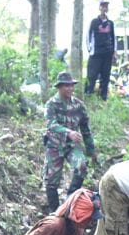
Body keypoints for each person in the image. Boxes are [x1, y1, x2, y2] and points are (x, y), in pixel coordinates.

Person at [42, 71, 97, 212]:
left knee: (82, 166)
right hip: (54, 146)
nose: (70, 89)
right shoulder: (51, 105)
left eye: (71, 85)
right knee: (52, 180)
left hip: (72, 146)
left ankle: (70, 200)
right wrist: (68, 132)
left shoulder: (79, 105)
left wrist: (91, 150)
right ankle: (54, 211)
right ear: (59, 87)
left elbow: (85, 128)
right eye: (66, 86)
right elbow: (51, 125)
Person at [85, 0, 116, 101]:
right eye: (103, 6)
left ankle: (103, 99)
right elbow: (88, 36)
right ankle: (88, 96)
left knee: (105, 77)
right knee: (91, 76)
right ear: (99, 8)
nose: (104, 8)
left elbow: (114, 37)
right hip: (95, 54)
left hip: (107, 54)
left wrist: (114, 51)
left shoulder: (110, 23)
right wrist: (90, 50)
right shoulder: (94, 22)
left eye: (106, 6)